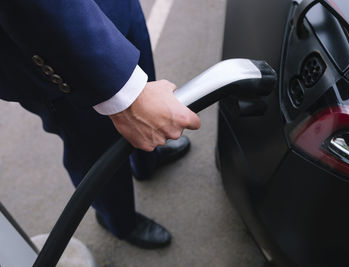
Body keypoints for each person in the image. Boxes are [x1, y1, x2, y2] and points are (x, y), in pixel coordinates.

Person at [0, 0, 201, 249]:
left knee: (147, 97)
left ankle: (147, 161)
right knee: (95, 152)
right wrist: (123, 92)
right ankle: (120, 222)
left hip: (118, 7)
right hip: (51, 46)